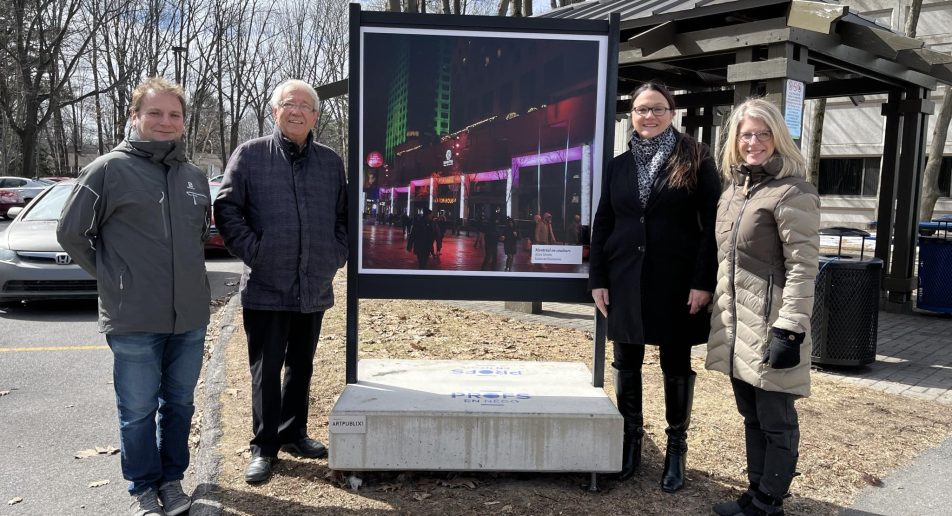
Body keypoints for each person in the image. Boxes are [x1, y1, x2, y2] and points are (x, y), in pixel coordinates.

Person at [57, 77, 211, 516]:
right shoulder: (107, 170)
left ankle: (172, 479)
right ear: (135, 117)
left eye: (174, 114)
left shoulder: (194, 176)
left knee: (180, 403)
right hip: (133, 318)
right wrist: (114, 277)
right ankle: (143, 486)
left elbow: (199, 237)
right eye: (155, 113)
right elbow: (71, 233)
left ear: (183, 121)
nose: (165, 122)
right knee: (138, 410)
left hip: (190, 317)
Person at [214, 79, 348, 484]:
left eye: (306, 106)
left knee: (301, 366)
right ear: (275, 111)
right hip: (266, 286)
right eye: (290, 104)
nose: (298, 111)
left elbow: (344, 216)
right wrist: (257, 252)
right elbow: (227, 207)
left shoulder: (330, 162)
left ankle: (293, 433)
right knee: (266, 369)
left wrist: (335, 253)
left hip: (313, 284)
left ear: (315, 116)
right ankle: (264, 446)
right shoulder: (251, 155)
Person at [588, 82, 720, 492]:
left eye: (658, 109)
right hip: (624, 279)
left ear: (672, 111)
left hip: (677, 283)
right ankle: (631, 445)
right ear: (632, 114)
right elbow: (604, 222)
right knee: (626, 363)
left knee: (675, 366)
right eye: (642, 109)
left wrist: (703, 281)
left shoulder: (696, 158)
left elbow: (713, 225)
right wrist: (598, 280)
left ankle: (676, 450)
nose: (649, 116)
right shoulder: (618, 165)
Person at [706, 98, 819, 516]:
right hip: (736, 327)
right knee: (751, 414)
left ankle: (770, 502)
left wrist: (790, 327)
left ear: (778, 139)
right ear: (735, 140)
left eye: (763, 134)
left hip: (772, 325)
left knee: (777, 419)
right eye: (746, 134)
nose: (753, 142)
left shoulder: (794, 192)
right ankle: (755, 494)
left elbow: (804, 267)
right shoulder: (734, 192)